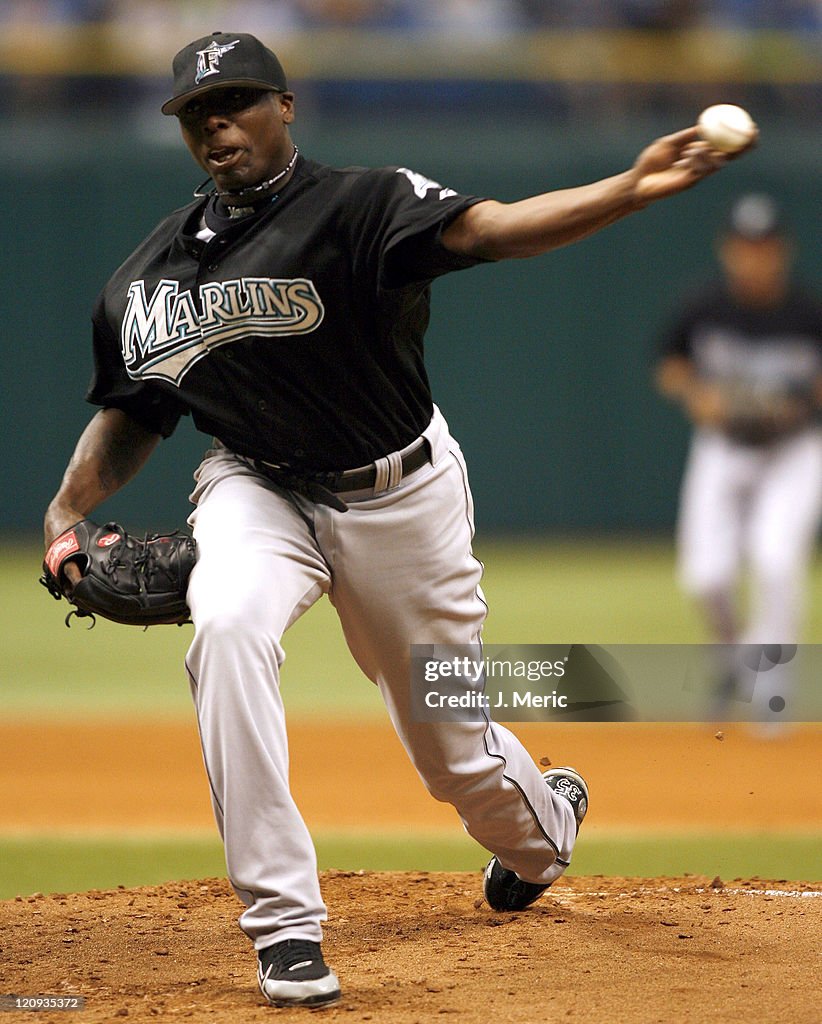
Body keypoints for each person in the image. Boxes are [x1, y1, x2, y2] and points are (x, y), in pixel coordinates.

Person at [44, 31, 745, 1009]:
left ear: (285, 106)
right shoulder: (148, 276)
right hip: (257, 485)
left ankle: (545, 826)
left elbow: (496, 229)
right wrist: (69, 509)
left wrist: (626, 187)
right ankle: (284, 925)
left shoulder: (361, 204)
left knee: (449, 749)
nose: (218, 122)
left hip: (400, 494)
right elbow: (134, 413)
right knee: (229, 624)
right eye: (198, 111)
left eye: (238, 100)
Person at [655, 193, 822, 719]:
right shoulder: (703, 306)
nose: (755, 256)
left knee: (776, 559)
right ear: (728, 250)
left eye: (766, 246)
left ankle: (770, 694)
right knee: (707, 576)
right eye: (746, 246)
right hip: (724, 447)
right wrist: (696, 395)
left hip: (794, 450)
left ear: (783, 252)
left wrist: (797, 403)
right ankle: (732, 659)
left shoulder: (807, 312)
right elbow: (670, 363)